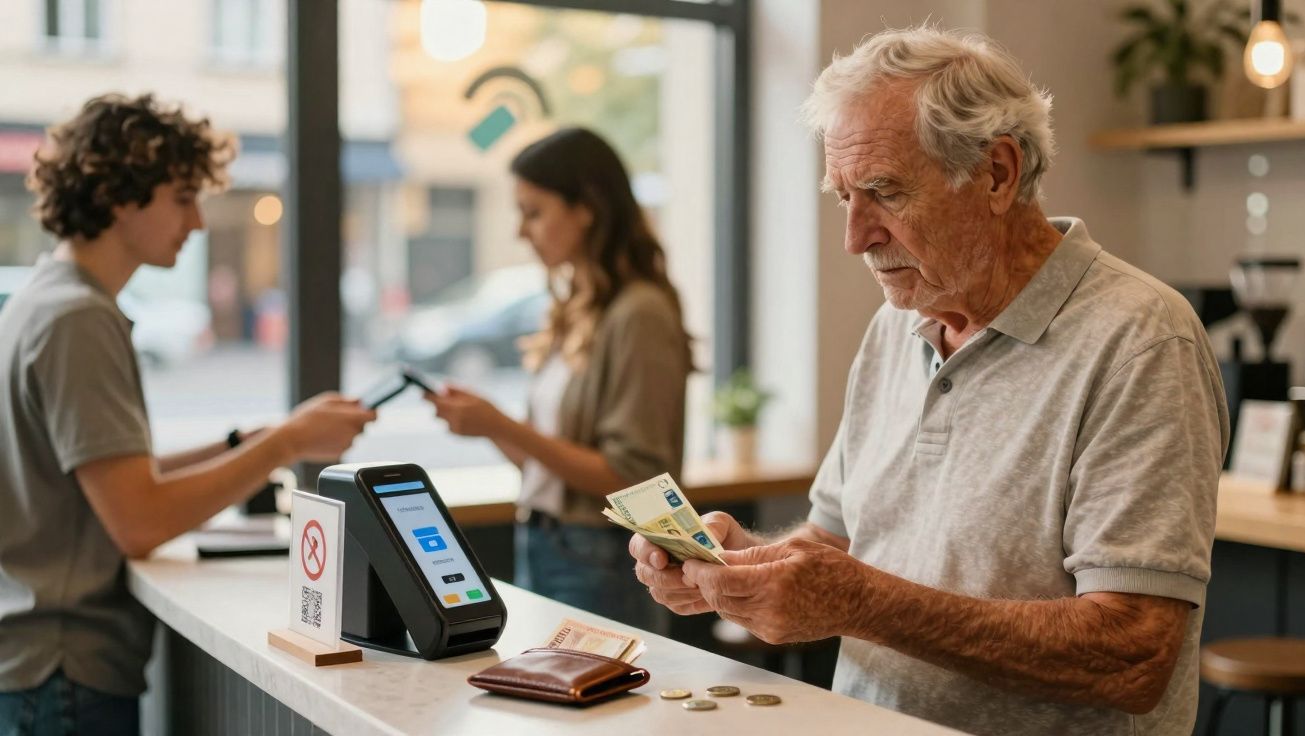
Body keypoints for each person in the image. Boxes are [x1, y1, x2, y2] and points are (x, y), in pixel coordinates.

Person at [632, 26, 1228, 736]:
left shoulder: (1141, 340)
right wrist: (745, 564)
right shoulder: (897, 324)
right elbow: (841, 544)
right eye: (844, 197)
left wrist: (863, 603)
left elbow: (1132, 656)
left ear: (997, 174)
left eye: (884, 192)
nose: (855, 237)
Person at [0, 94, 376, 735]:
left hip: (42, 666)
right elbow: (139, 520)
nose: (198, 222)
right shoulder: (79, 319)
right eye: (181, 198)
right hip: (62, 670)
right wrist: (284, 444)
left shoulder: (45, 298)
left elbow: (107, 477)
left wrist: (241, 442)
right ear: (120, 196)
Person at [423, 128, 692, 629]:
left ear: (585, 208)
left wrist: (502, 424)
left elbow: (634, 478)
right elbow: (546, 468)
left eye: (534, 212)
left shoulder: (639, 314)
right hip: (547, 542)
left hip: (602, 559)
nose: (521, 232)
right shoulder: (578, 309)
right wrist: (488, 427)